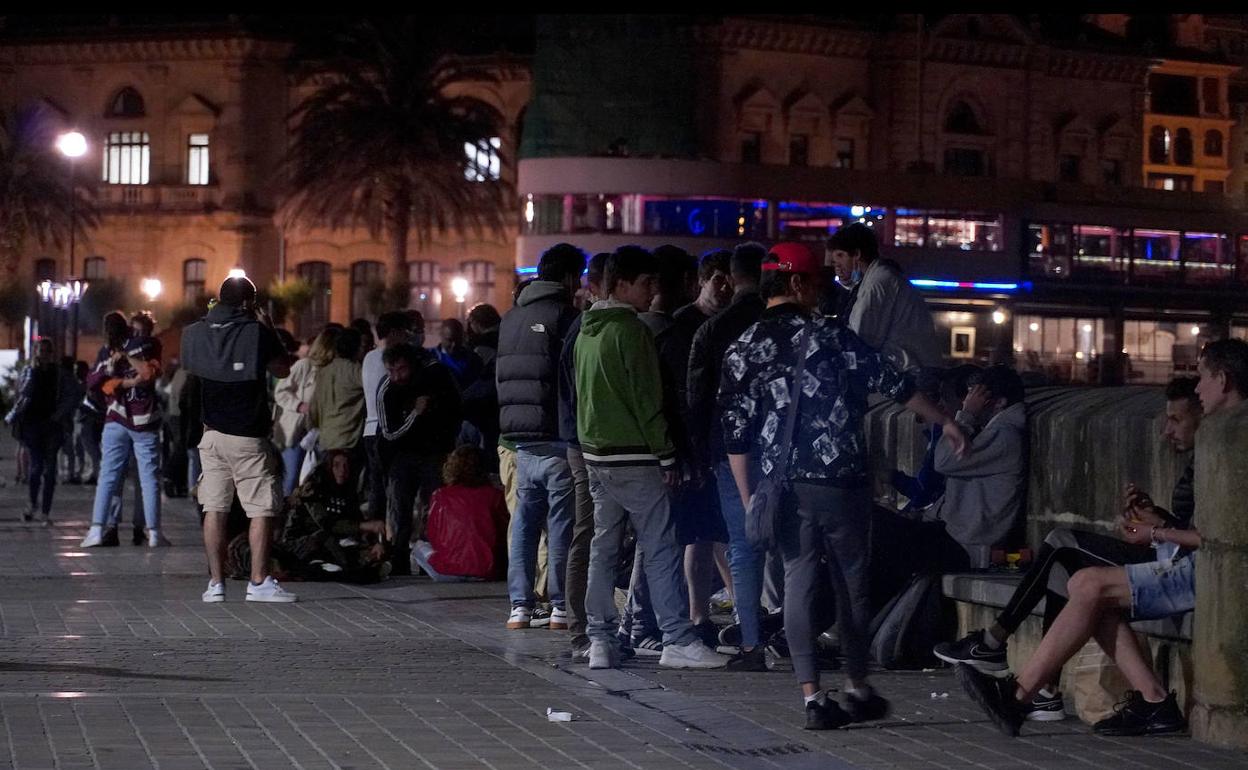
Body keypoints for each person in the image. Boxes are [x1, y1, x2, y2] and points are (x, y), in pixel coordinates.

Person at [718, 241, 967, 729]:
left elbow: (736, 434)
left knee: (798, 582)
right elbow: (895, 383)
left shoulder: (742, 347)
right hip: (841, 482)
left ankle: (812, 697)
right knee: (851, 585)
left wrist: (751, 500)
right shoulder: (832, 336)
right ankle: (857, 685)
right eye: (817, 282)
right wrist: (947, 421)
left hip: (784, 486)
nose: (824, 291)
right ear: (796, 283)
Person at [956, 342, 1247, 738]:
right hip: (1193, 564)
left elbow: (1222, 538)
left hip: (1208, 573)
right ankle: (1152, 701)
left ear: (1223, 380)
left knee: (1085, 581)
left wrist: (1156, 532)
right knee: (1084, 588)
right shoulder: (1220, 435)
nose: (1198, 388)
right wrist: (1156, 523)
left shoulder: (1235, 441)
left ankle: (1021, 694)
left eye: (1203, 378)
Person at [576, 245, 727, 670]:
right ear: (623, 284)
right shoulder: (632, 331)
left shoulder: (587, 331)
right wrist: (667, 456)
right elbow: (648, 400)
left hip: (597, 455)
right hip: (635, 455)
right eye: (645, 283)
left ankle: (601, 638)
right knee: (661, 547)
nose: (651, 292)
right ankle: (677, 637)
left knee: (603, 547)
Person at [180, 276, 297, 602]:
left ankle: (215, 584)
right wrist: (269, 328)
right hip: (248, 435)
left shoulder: (196, 332)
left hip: (211, 434)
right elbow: (283, 369)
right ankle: (258, 581)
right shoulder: (256, 332)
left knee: (214, 507)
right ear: (248, 303)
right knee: (261, 508)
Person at [871, 364, 1028, 600]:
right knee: (874, 531)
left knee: (877, 533)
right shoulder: (994, 432)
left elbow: (943, 461)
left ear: (999, 402)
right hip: (952, 536)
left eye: (978, 398)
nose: (968, 403)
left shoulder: (1004, 435)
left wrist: (965, 415)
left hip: (966, 548)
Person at [686, 242, 773, 667]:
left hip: (727, 450)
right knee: (796, 548)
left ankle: (751, 639)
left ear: (734, 276)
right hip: (782, 448)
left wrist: (698, 452)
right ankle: (795, 633)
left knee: (742, 544)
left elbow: (698, 397)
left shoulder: (714, 329)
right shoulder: (779, 324)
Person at [496, 243, 584, 631]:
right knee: (561, 522)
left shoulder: (511, 318)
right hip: (556, 434)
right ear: (568, 277)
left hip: (518, 435)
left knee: (524, 523)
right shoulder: (566, 317)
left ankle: (520, 605)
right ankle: (561, 605)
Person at [559, 252, 610, 656]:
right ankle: (581, 628)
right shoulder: (587, 329)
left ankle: (589, 625)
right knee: (588, 531)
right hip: (587, 443)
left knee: (591, 532)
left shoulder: (584, 327)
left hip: (582, 440)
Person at [377, 342, 462, 574]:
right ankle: (399, 560)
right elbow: (389, 433)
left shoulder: (434, 376)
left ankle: (429, 559)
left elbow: (454, 408)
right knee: (400, 509)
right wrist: (415, 414)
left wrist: (446, 443)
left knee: (431, 507)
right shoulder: (387, 389)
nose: (397, 376)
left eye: (401, 369)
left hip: (434, 452)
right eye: (391, 371)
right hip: (401, 455)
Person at [80, 324, 168, 548]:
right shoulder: (152, 347)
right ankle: (153, 532)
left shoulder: (112, 352)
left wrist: (122, 363)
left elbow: (99, 384)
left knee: (108, 477)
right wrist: (131, 380)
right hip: (144, 420)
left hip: (116, 418)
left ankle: (97, 529)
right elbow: (147, 374)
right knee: (148, 479)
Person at [826, 222, 942, 378]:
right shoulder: (879, 277)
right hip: (913, 371)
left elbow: (861, 337)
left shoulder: (878, 282)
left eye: (841, 256)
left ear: (857, 254)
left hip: (910, 375)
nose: (837, 266)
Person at [274, 450, 390, 583]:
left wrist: (374, 543)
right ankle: (350, 568)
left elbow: (355, 520)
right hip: (300, 544)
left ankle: (363, 565)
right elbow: (328, 524)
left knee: (362, 549)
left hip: (330, 543)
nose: (342, 470)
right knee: (325, 539)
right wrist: (365, 526)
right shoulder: (313, 490)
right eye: (337, 465)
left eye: (346, 466)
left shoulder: (347, 491)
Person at [6, 339, 78, 523]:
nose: (44, 354)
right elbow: (21, 395)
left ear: (51, 353)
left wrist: (59, 414)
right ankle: (31, 505)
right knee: (36, 467)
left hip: (52, 425)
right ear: (36, 352)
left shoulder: (59, 374)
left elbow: (72, 395)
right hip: (32, 424)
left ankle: (45, 511)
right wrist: (13, 415)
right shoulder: (29, 371)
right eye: (41, 350)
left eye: (47, 351)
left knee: (50, 470)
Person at [414, 445, 509, 582]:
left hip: (447, 570)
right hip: (489, 570)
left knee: (418, 547)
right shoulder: (495, 496)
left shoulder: (441, 495)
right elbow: (505, 531)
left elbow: (432, 534)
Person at [362, 312, 416, 521]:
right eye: (405, 332)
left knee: (376, 485)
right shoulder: (392, 361)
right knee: (392, 486)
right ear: (394, 332)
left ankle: (376, 531)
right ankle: (389, 530)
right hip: (386, 429)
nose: (408, 336)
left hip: (369, 429)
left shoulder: (369, 357)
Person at [274, 327, 339, 496]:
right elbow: (281, 391)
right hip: (297, 432)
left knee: (315, 480)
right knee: (291, 479)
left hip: (320, 433)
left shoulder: (336, 371)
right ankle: (285, 510)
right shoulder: (304, 366)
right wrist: (299, 405)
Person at [310, 328, 365, 457]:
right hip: (348, 438)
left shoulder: (324, 371)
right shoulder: (356, 371)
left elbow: (314, 407)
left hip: (326, 438)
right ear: (356, 348)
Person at [434, 318, 484, 391]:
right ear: (441, 336)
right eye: (449, 340)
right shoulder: (430, 358)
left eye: (457, 340)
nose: (454, 344)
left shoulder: (474, 359)